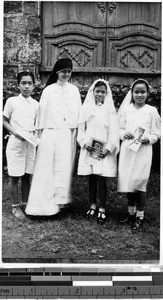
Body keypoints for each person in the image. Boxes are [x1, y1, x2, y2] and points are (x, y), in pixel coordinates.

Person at [25, 58, 81, 216]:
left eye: (69, 71)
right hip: (50, 132)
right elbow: (42, 115)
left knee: (64, 167)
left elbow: (78, 113)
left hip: (67, 133)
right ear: (57, 72)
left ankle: (60, 203)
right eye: (64, 71)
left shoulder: (74, 90)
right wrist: (39, 135)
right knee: (46, 166)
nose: (66, 74)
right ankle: (43, 205)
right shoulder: (48, 90)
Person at [118, 78, 161, 231]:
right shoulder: (126, 110)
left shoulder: (151, 111)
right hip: (128, 150)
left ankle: (140, 215)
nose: (139, 95)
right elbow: (119, 128)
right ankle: (131, 212)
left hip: (143, 151)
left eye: (143, 92)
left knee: (140, 182)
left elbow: (158, 133)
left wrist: (148, 138)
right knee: (129, 181)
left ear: (147, 93)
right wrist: (124, 134)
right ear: (132, 93)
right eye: (136, 92)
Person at [77, 79, 119, 224]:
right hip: (90, 147)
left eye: (103, 92)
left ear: (106, 93)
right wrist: (84, 143)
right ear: (92, 92)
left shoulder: (110, 110)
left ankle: (102, 208)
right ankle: (92, 205)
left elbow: (114, 132)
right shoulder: (86, 108)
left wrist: (108, 149)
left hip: (103, 148)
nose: (100, 94)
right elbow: (81, 129)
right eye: (97, 91)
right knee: (91, 178)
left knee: (101, 178)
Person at [3, 71, 39, 220]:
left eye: (29, 83)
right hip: (16, 143)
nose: (26, 86)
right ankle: (15, 207)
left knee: (26, 176)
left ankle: (25, 204)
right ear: (18, 85)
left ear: (33, 86)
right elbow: (4, 120)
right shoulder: (12, 101)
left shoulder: (36, 104)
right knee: (14, 176)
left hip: (30, 144)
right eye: (23, 83)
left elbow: (37, 125)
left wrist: (35, 139)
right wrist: (15, 133)